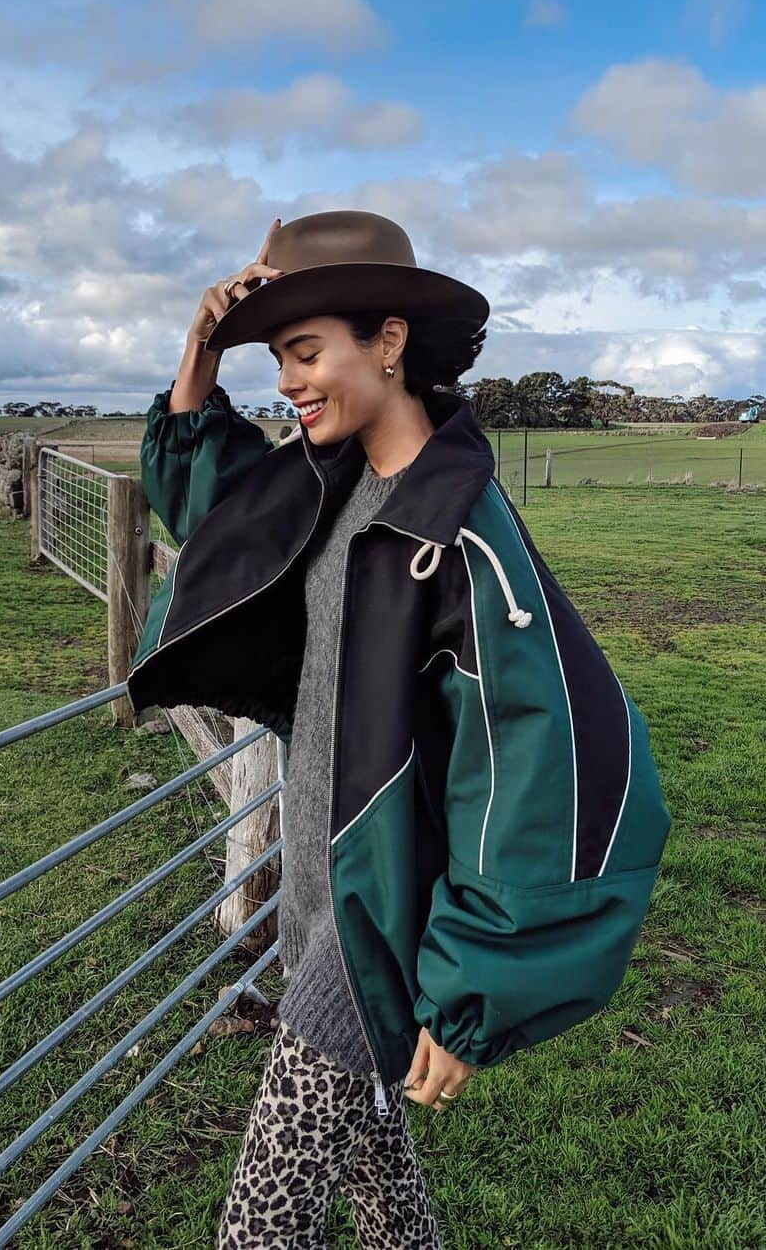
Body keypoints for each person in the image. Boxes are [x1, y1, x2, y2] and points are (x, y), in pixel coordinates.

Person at [125, 211, 673, 1247]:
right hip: (317, 888)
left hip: (375, 921)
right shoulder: (328, 484)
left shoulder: (461, 538)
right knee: (377, 1175)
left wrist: (474, 990)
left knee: (262, 1222)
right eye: (279, 356)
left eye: (305, 351)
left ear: (388, 341)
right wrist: (199, 349)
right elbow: (207, 507)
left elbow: (545, 768)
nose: (287, 381)